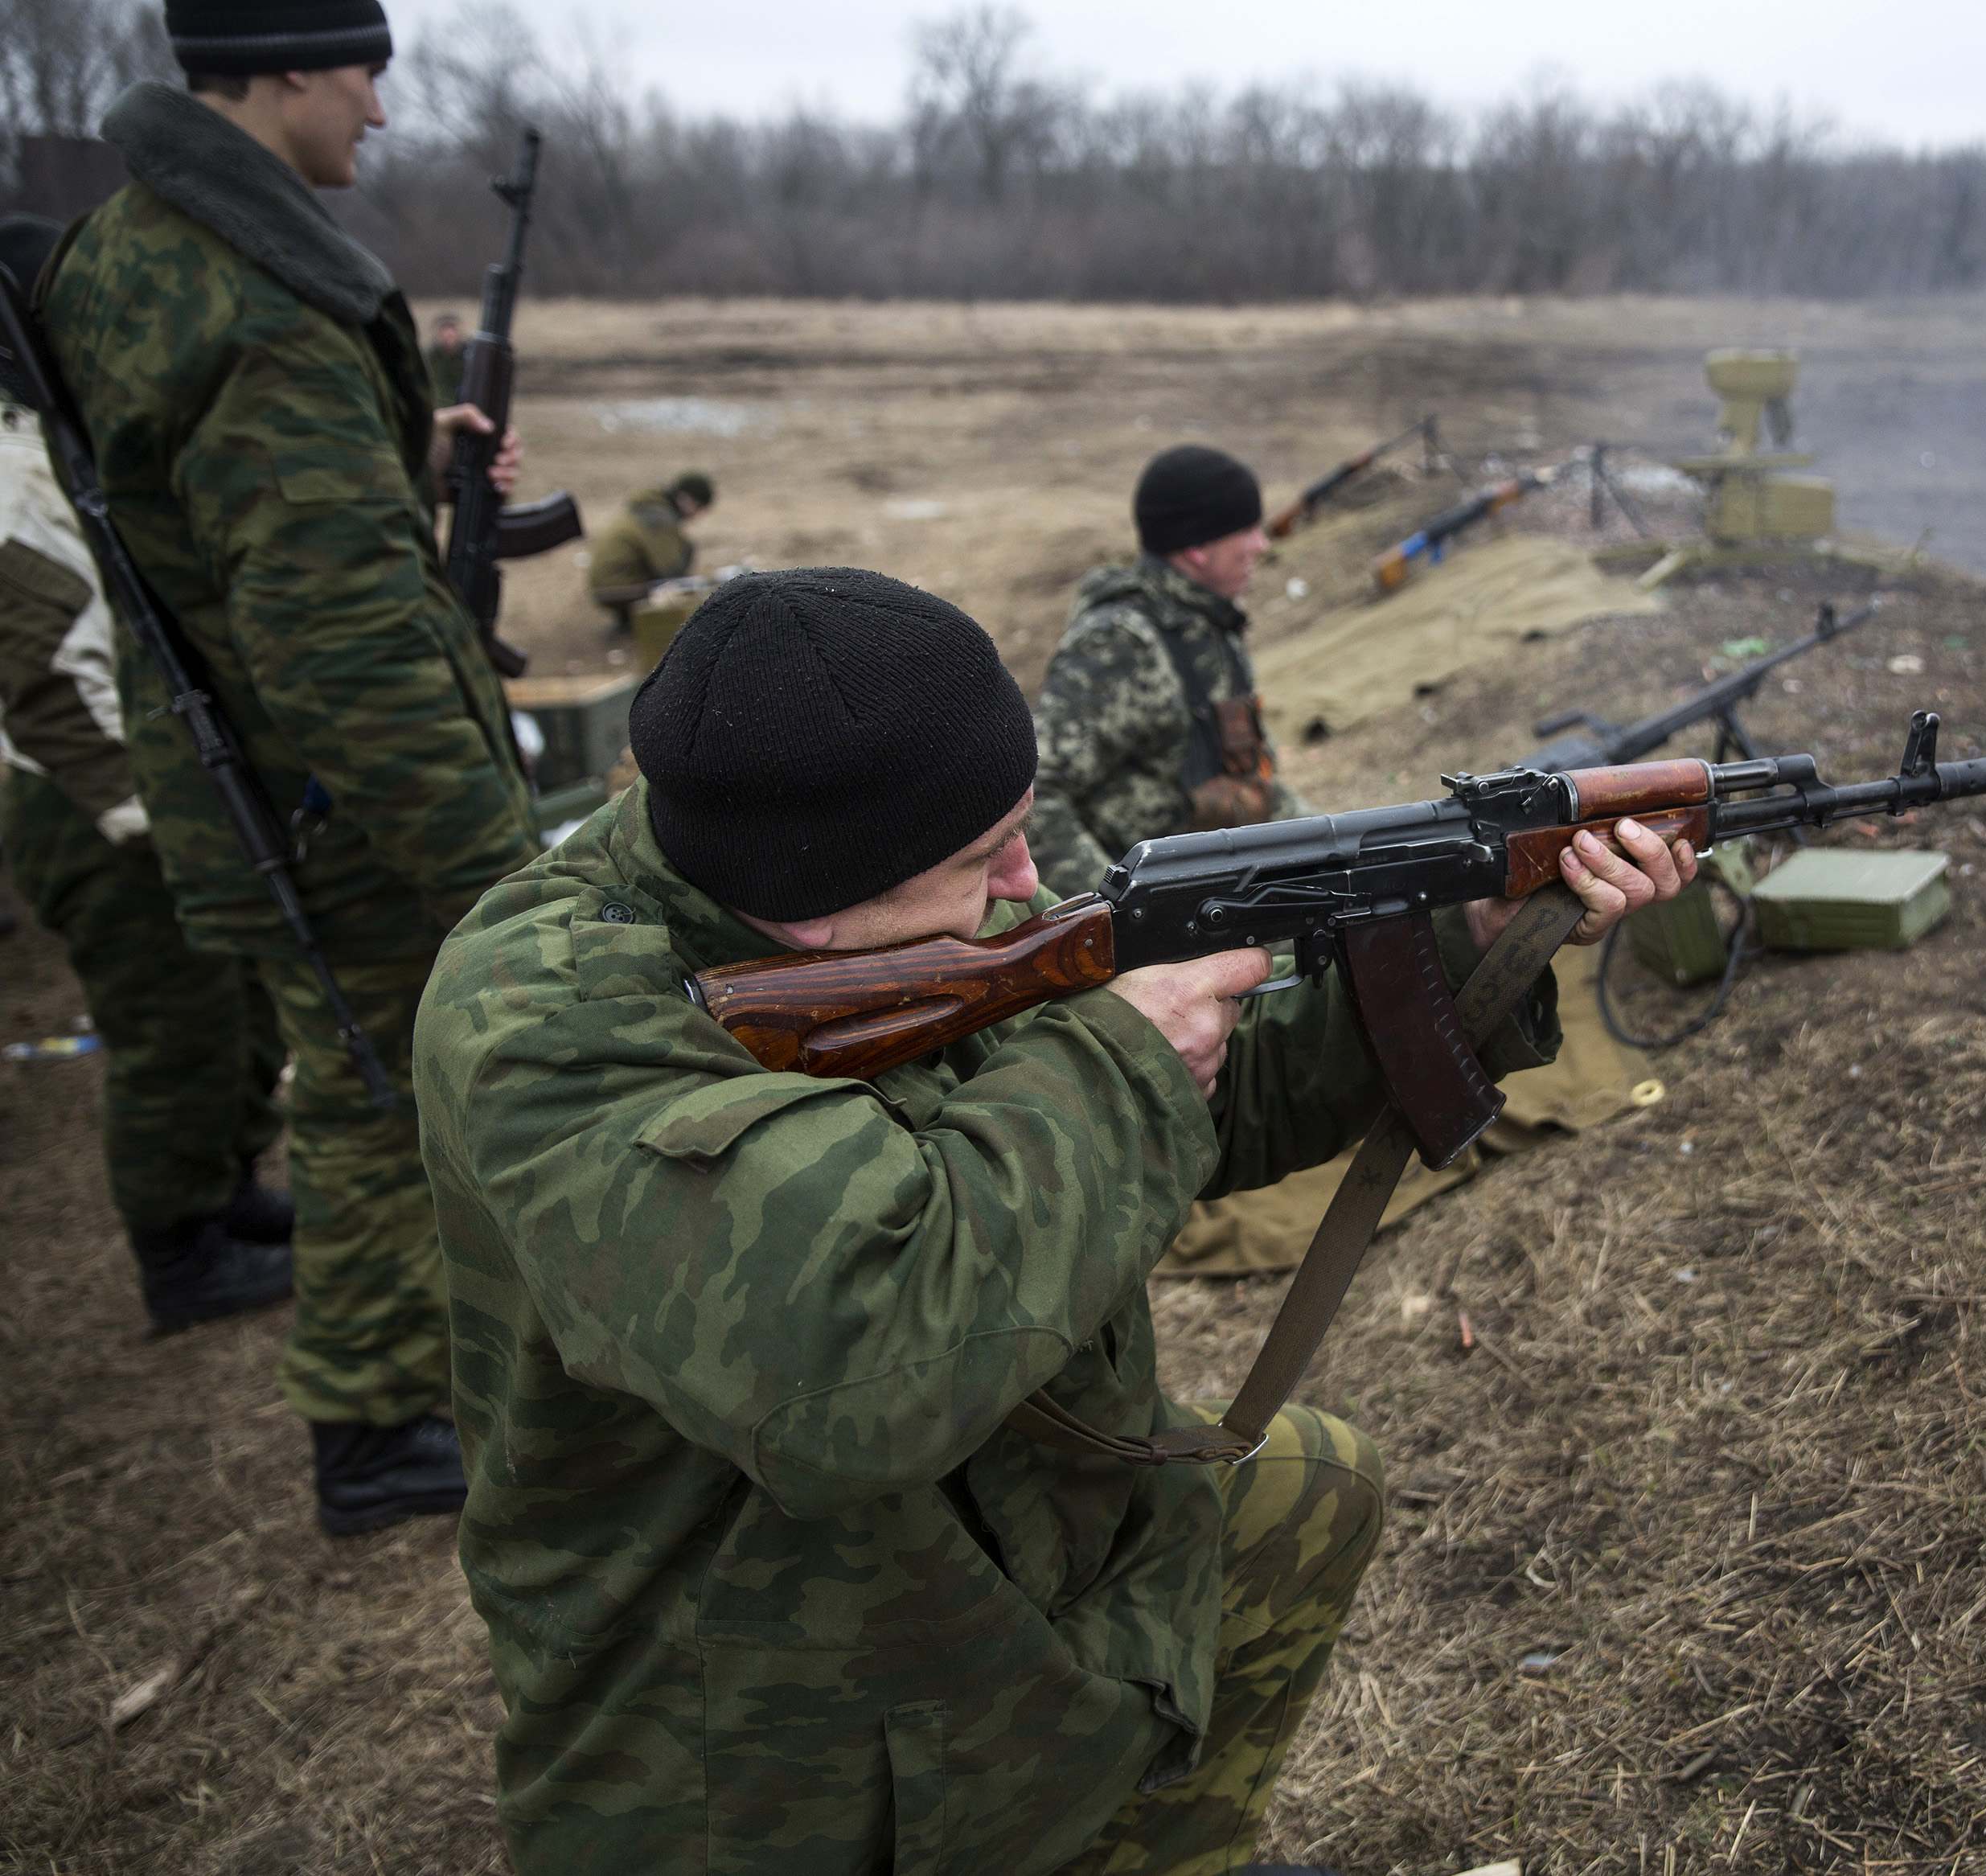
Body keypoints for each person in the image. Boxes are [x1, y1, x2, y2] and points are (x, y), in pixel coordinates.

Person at [414, 568, 1693, 1875]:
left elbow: (1201, 1110)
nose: (1030, 878)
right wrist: (1132, 1055)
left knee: (1311, 1487)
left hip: (1015, 1576)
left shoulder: (901, 902)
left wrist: (1480, 936)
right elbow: (851, 1369)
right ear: (810, 901)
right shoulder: (545, 1022)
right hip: (760, 1751)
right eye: (985, 856)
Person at [41, 0, 540, 1537]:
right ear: (282, 76)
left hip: (245, 778)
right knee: (384, 1089)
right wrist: (491, 872)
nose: (378, 115)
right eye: (363, 77)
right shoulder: (258, 305)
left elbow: (207, 521)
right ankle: (381, 1422)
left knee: (349, 1077)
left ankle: (392, 1383)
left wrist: (397, 454)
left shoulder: (127, 245)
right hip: (330, 808)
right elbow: (336, 644)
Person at [0, 370, 293, 1333]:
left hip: (154, 786)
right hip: (95, 803)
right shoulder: (12, 481)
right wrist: (142, 812)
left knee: (235, 1008)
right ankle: (179, 1250)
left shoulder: (56, 449)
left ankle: (227, 1190)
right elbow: (45, 685)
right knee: (173, 1027)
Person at [1029, 444, 1303, 897]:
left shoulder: (1210, 627)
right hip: (1161, 926)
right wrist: (1114, 912)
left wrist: (1346, 847)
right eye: (1247, 529)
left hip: (1219, 892)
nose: (1261, 545)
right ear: (1196, 547)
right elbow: (1036, 796)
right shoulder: (1121, 642)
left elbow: (1254, 784)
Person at [586, 470, 715, 630]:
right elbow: (671, 570)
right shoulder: (659, 518)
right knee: (678, 584)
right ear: (687, 499)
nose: (697, 516)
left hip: (605, 584)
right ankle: (642, 622)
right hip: (614, 589)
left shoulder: (650, 508)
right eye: (699, 507)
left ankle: (630, 621)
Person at [425, 310, 466, 406]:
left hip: (463, 405)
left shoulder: (468, 354)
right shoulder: (430, 356)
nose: (449, 333)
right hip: (439, 407)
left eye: (452, 329)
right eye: (445, 329)